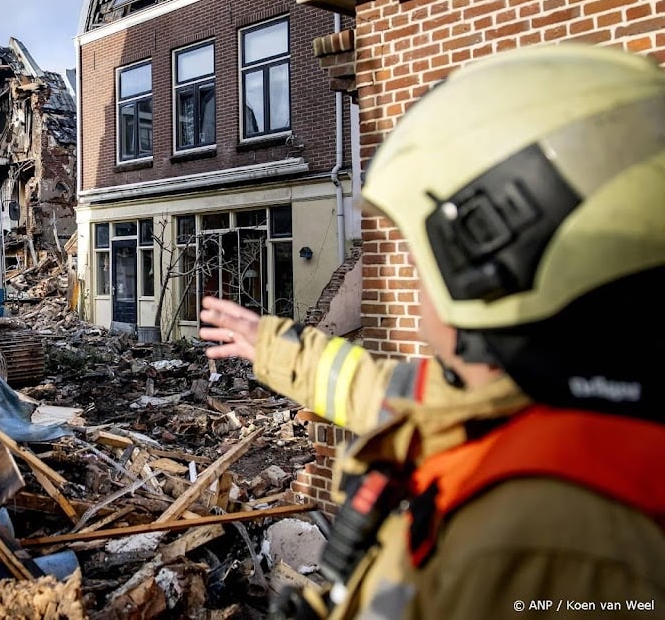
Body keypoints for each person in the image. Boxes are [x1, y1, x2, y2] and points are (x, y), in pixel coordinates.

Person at [199, 44, 665, 619]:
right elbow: (382, 392)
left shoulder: (538, 544)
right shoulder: (526, 406)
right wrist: (275, 346)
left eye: (421, 257)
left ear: (492, 259)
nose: (417, 285)